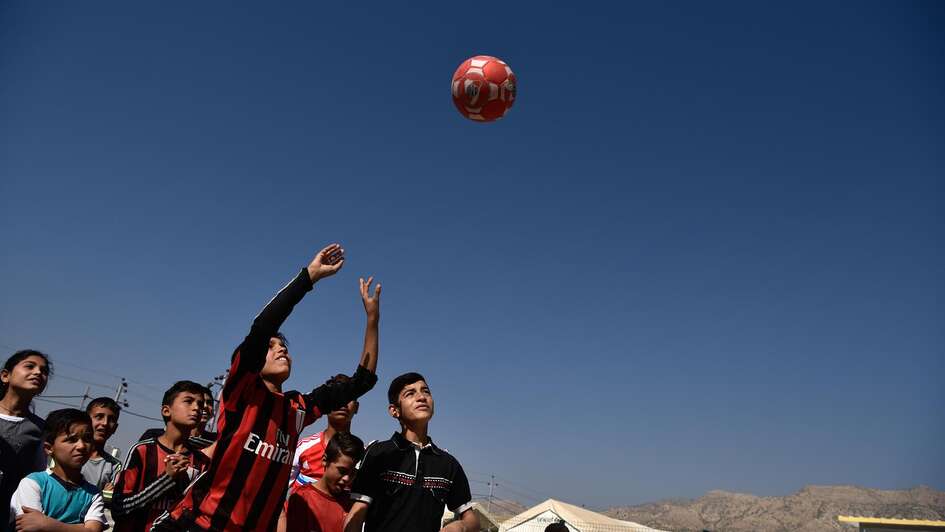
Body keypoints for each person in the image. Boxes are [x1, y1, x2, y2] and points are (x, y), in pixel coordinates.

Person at [153, 244, 380, 531]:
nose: (281, 350)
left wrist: (372, 319)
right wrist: (308, 277)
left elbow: (363, 381)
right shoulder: (243, 394)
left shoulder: (298, 408)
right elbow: (262, 328)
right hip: (204, 525)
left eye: (284, 346)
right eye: (272, 347)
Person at [344, 373, 479, 532]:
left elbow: (472, 519)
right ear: (394, 411)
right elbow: (357, 514)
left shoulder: (449, 464)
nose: (421, 397)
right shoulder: (378, 454)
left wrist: (461, 526)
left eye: (426, 391)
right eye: (410, 393)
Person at [111, 381, 210, 531]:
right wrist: (167, 479)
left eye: (200, 404)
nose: (197, 408)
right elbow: (119, 508)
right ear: (166, 411)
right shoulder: (143, 450)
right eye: (188, 401)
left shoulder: (201, 462)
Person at [9, 408, 107, 531]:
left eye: (87, 439)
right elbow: (30, 527)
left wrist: (48, 524)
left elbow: (94, 530)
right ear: (49, 448)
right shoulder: (33, 483)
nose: (81, 446)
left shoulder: (93, 494)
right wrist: (81, 528)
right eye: (71, 440)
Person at [0, 349, 52, 530]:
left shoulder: (41, 429)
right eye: (30, 366)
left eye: (44, 371)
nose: (38, 372)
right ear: (5, 376)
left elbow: (38, 475)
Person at [288, 374, 361, 492]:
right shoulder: (302, 447)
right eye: (338, 396)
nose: (343, 403)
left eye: (349, 397)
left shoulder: (363, 455)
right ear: (325, 403)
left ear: (357, 407)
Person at [281, 433, 364, 532]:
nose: (347, 478)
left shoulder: (352, 505)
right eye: (342, 471)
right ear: (325, 460)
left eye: (352, 473)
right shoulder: (302, 499)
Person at [82, 397, 122, 502]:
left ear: (115, 428)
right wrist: (101, 494)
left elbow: (113, 498)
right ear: (86, 419)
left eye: (111, 419)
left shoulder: (114, 466)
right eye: (99, 417)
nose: (105, 423)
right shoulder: (69, 452)